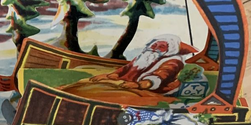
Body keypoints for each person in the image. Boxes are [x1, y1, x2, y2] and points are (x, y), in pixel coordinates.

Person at [61, 34, 196, 106]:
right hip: (127, 84)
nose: (155, 48)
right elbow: (126, 69)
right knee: (86, 83)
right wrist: (110, 76)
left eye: (161, 47)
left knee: (101, 93)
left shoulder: (173, 61)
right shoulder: (145, 56)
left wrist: (139, 85)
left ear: (169, 50)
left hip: (150, 90)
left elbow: (161, 76)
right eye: (154, 45)